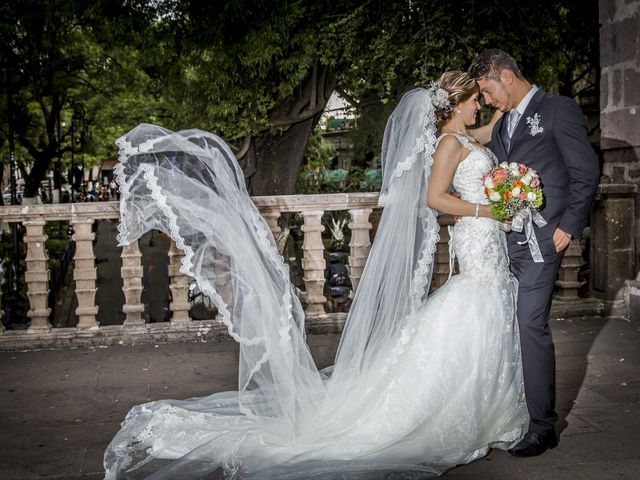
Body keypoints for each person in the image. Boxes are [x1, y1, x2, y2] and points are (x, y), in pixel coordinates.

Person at [105, 72, 527, 480]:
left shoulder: (468, 137)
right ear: (456, 103)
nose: (481, 105)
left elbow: (497, 127)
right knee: (471, 310)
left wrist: (516, 146)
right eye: (475, 99)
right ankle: (459, 410)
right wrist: (489, 208)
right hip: (479, 232)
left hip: (486, 239)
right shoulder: (450, 143)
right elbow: (435, 197)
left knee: (481, 313)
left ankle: (488, 409)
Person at [468, 49, 600, 457]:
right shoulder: (503, 120)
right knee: (508, 325)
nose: (488, 101)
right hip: (507, 238)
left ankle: (542, 427)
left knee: (530, 325)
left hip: (544, 239)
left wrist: (569, 226)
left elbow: (586, 171)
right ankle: (512, 411)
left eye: (487, 90)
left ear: (506, 76)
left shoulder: (557, 109)